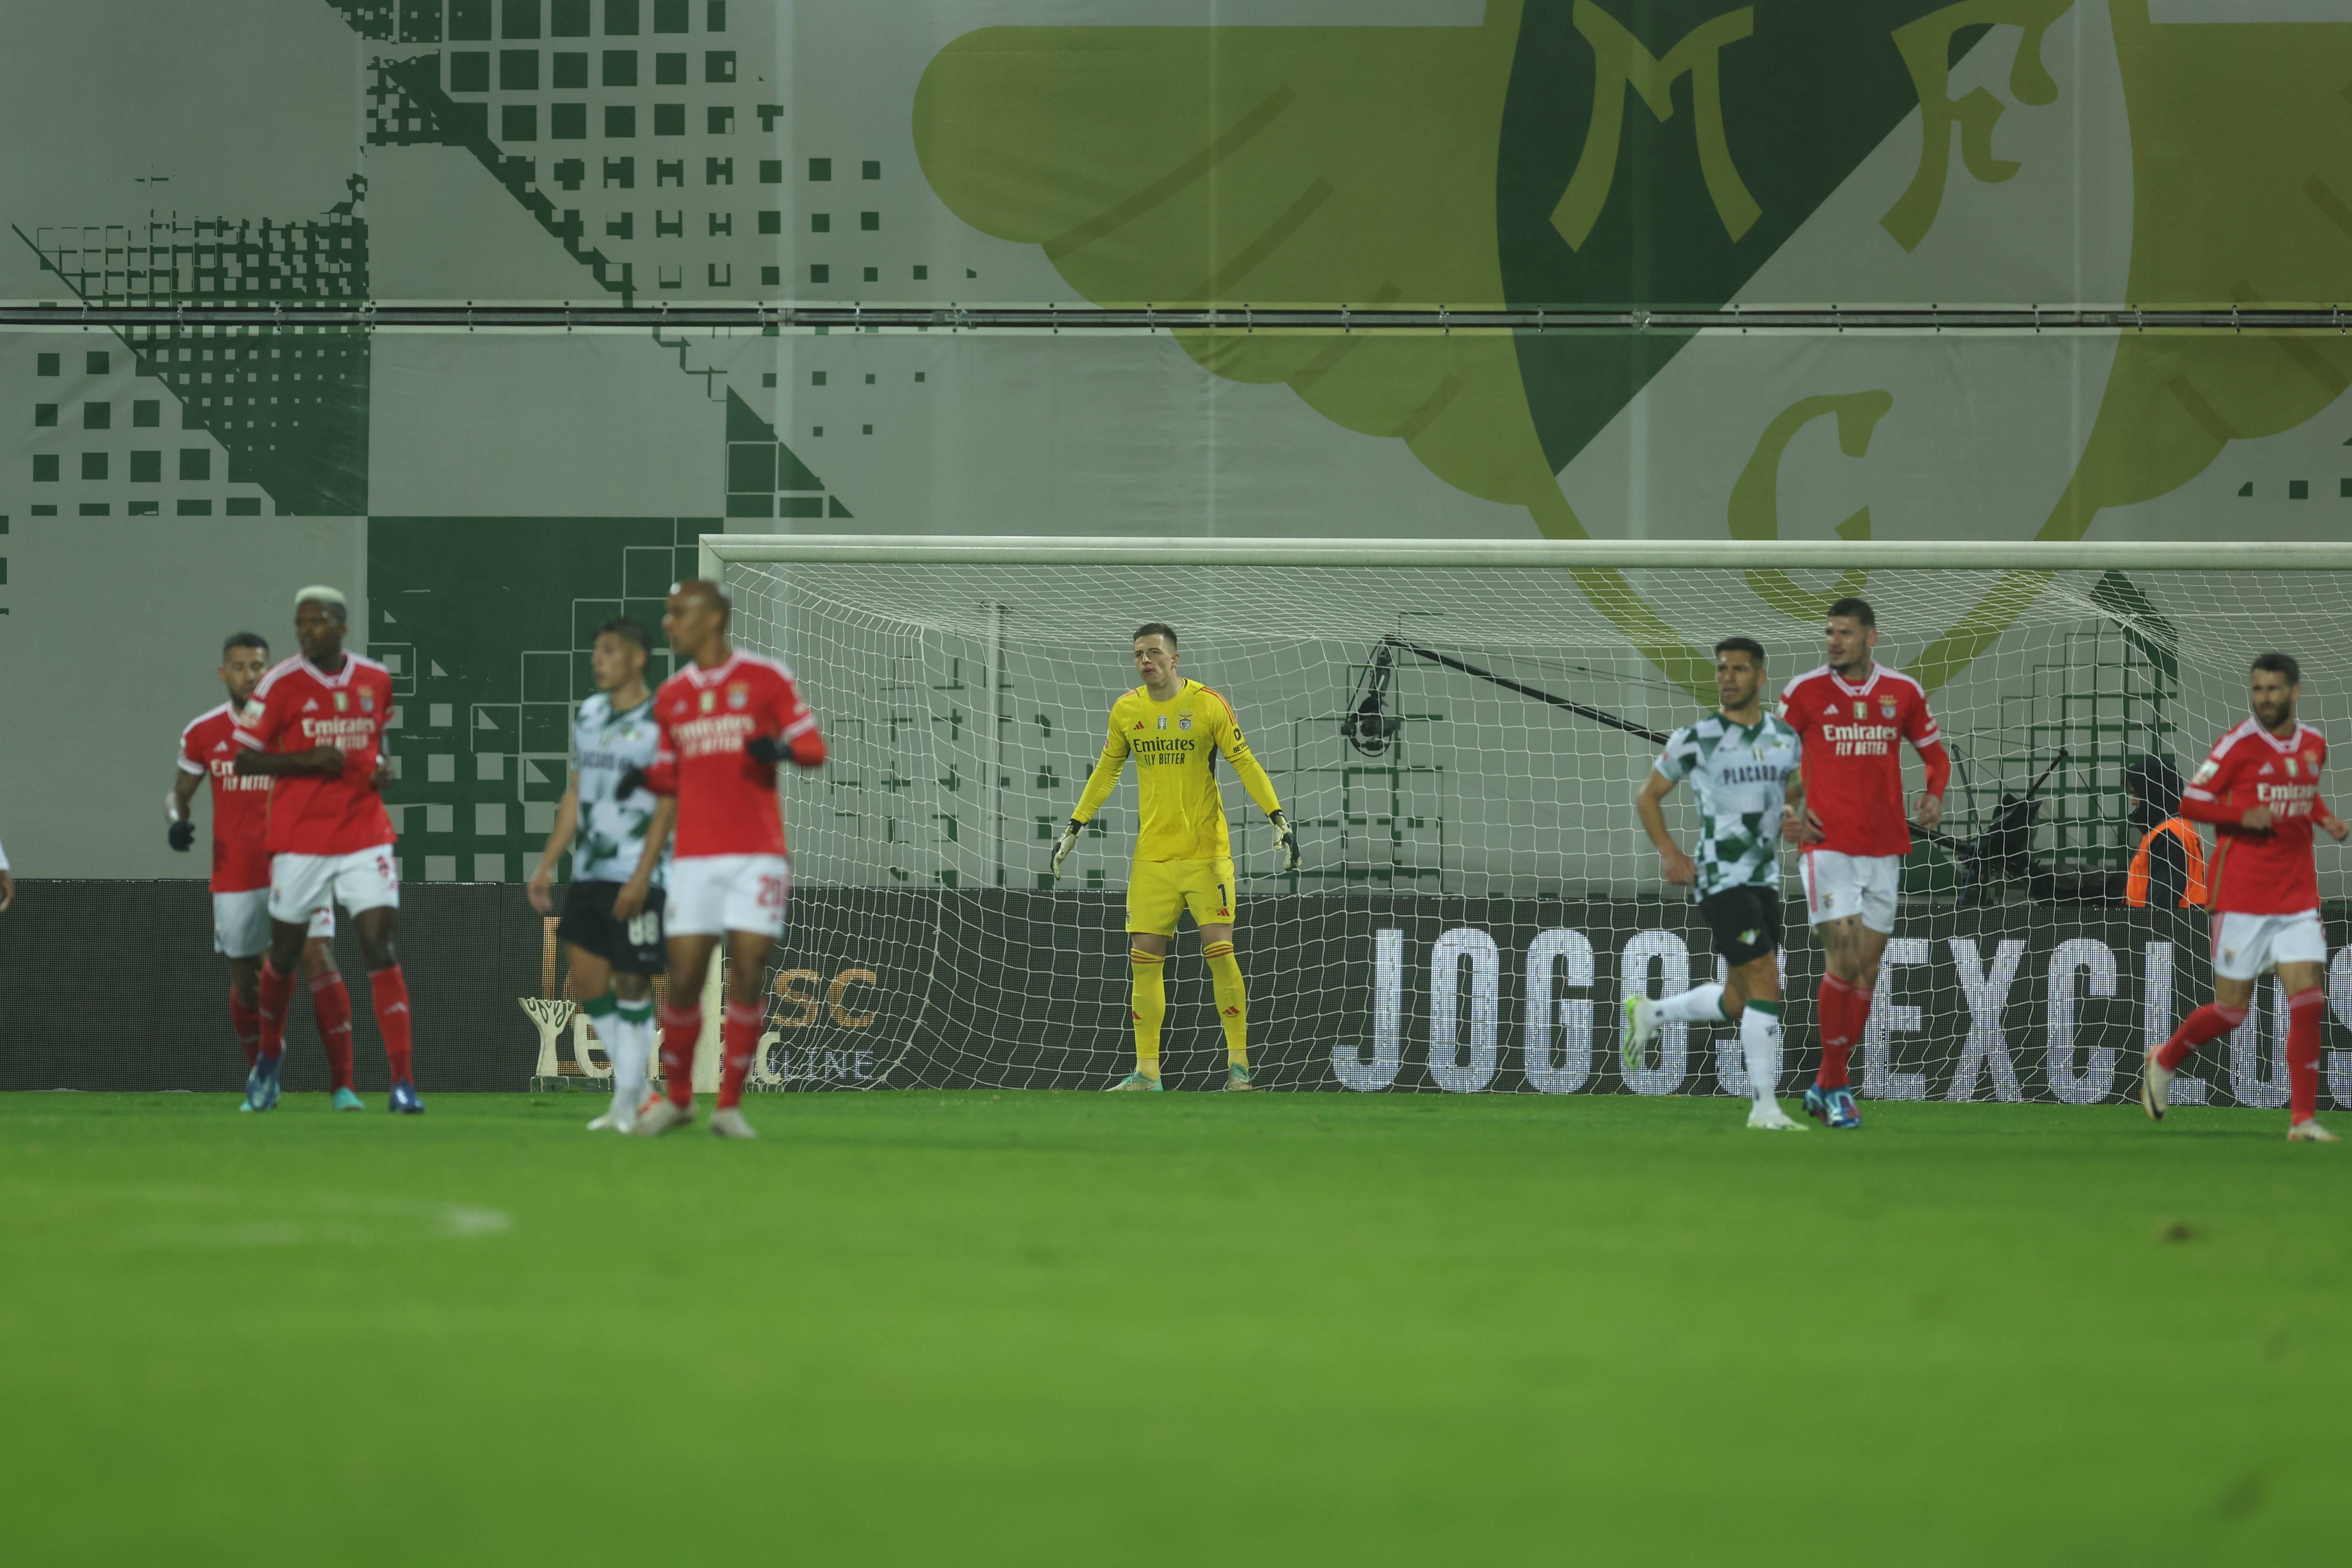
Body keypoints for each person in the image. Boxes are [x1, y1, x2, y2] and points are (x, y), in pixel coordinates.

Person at [1048, 622, 1299, 1091]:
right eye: (1139, 654)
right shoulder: (1126, 711)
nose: (1145, 661)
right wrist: (1074, 827)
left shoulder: (1207, 705)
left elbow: (1244, 762)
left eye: (1153, 653)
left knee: (1219, 949)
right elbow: (1105, 769)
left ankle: (1238, 1068)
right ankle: (1147, 1073)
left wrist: (1277, 819)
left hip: (1206, 853)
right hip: (1152, 858)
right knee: (1143, 956)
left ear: (1174, 659)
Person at [623, 580, 825, 1139]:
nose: (668, 623)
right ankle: (680, 1100)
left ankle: (729, 1106)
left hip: (757, 856)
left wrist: (780, 749)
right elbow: (669, 773)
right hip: (693, 858)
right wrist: (638, 777)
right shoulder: (671, 697)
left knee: (749, 969)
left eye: (677, 613)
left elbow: (814, 748)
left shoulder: (765, 678)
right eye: (666, 613)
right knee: (684, 979)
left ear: (713, 618)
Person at [231, 587, 421, 1114]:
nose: (305, 632)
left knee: (380, 949)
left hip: (364, 833)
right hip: (301, 841)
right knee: (287, 955)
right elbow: (245, 760)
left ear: (340, 623)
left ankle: (402, 1082)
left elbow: (377, 741)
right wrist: (303, 760)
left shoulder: (376, 679)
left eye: (315, 622)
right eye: (300, 624)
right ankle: (269, 1061)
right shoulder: (281, 683)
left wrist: (384, 765)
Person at [2143, 653, 2347, 1140]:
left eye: (2273, 690)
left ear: (2293, 692)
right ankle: (2164, 1059)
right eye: (2257, 690)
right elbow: (2190, 799)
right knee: (2231, 1011)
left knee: (2307, 999)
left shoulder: (2314, 744)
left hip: (2296, 895)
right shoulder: (2238, 744)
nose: (2264, 699)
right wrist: (2239, 814)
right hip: (2240, 895)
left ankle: (2301, 1121)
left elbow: (2302, 790)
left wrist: (2324, 820)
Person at [1776, 597, 1951, 1130]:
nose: (1833, 642)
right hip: (1827, 847)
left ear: (1870, 637)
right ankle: (1836, 1086)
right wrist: (1788, 809)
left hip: (1885, 849)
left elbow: (1935, 757)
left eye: (1844, 633)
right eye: (1829, 632)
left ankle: (1827, 1083)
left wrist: (1933, 794)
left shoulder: (1903, 692)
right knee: (1844, 962)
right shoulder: (1803, 693)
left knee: (1868, 972)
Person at [1626, 637, 1807, 1130]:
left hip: (1764, 881)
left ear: (1759, 677)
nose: (1727, 677)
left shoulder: (1785, 739)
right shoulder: (1696, 738)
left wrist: (1794, 818)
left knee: (1739, 998)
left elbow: (1793, 795)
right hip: (1720, 880)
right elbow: (1647, 796)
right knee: (1767, 978)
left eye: (1739, 669)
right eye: (1722, 669)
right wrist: (1669, 852)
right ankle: (1764, 1108)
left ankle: (1652, 1013)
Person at [170, 631, 353, 1105]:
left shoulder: (298, 727)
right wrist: (177, 822)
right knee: (247, 981)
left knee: (317, 957)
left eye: (258, 667)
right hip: (236, 873)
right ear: (223, 673)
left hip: (297, 863)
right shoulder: (204, 732)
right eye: (239, 667)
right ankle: (263, 1073)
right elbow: (180, 795)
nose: (249, 675)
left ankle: (344, 1087)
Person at [527, 617, 676, 1132]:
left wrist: (643, 876)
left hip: (640, 872)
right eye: (596, 650)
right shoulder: (588, 715)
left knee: (632, 980)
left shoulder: (661, 721)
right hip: (589, 871)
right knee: (589, 982)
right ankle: (637, 1095)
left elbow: (667, 802)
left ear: (637, 659)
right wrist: (548, 861)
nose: (597, 660)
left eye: (609, 651)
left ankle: (631, 1100)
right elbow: (576, 792)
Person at [2121, 755, 2204, 910]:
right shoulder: (2177, 828)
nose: (2133, 801)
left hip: (2162, 930)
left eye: (2136, 794)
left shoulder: (2166, 836)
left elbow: (2162, 905)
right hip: (2184, 926)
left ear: (2152, 794)